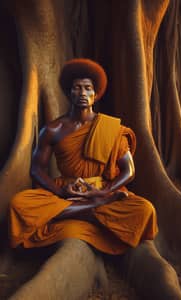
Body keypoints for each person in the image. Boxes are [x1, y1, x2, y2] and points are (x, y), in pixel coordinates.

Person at [10, 58, 158, 255]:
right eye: (77, 88)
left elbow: (129, 170)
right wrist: (60, 191)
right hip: (66, 190)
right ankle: (92, 211)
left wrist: (102, 192)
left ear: (96, 94)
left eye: (87, 88)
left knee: (145, 210)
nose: (82, 93)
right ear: (69, 92)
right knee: (19, 204)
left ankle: (69, 213)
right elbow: (37, 169)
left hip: (101, 191)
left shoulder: (110, 128)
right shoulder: (54, 129)